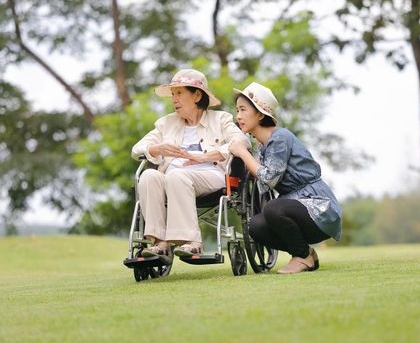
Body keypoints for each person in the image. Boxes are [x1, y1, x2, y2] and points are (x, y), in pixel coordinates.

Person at [131, 69, 249, 258]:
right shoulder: (166, 123)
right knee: (148, 176)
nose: (174, 99)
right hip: (174, 178)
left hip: (211, 175)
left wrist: (206, 156)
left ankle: (192, 242)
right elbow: (137, 149)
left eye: (179, 93)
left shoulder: (220, 119)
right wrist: (157, 148)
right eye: (172, 94)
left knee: (177, 176)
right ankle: (160, 242)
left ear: (196, 95)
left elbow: (242, 141)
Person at [229, 82, 342, 274]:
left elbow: (268, 179)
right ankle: (306, 253)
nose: (238, 116)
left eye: (243, 109)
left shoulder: (279, 138)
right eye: (237, 110)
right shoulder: (264, 146)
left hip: (318, 206)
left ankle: (302, 258)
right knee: (256, 226)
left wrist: (242, 153)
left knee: (272, 208)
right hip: (293, 206)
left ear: (259, 114)